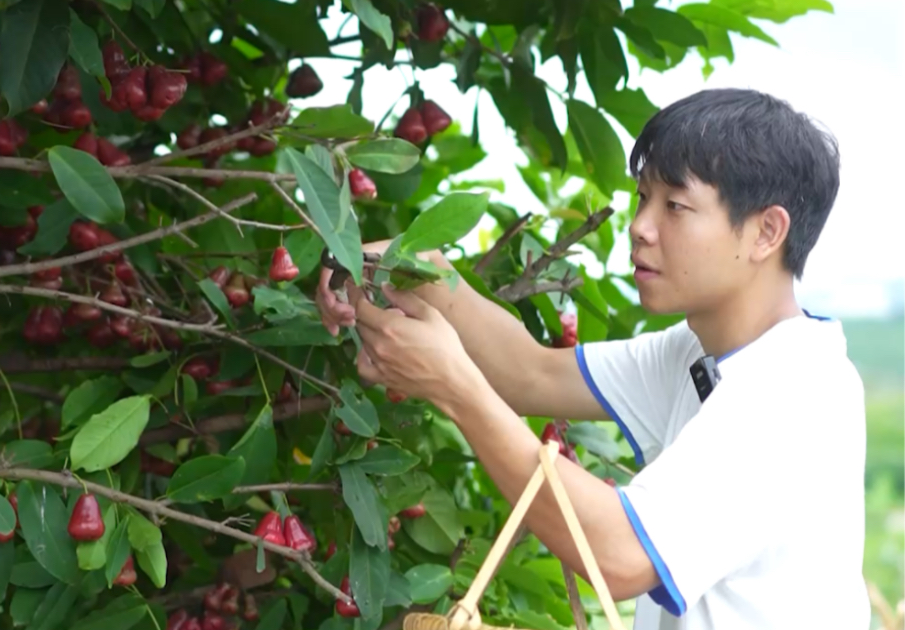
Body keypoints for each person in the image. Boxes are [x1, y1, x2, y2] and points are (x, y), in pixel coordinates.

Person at [315, 88, 870, 630]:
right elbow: (528, 372)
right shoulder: (699, 351)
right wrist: (414, 269)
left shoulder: (793, 394)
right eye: (642, 197)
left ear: (766, 232)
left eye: (675, 205)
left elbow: (621, 555)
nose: (639, 227)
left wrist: (454, 388)